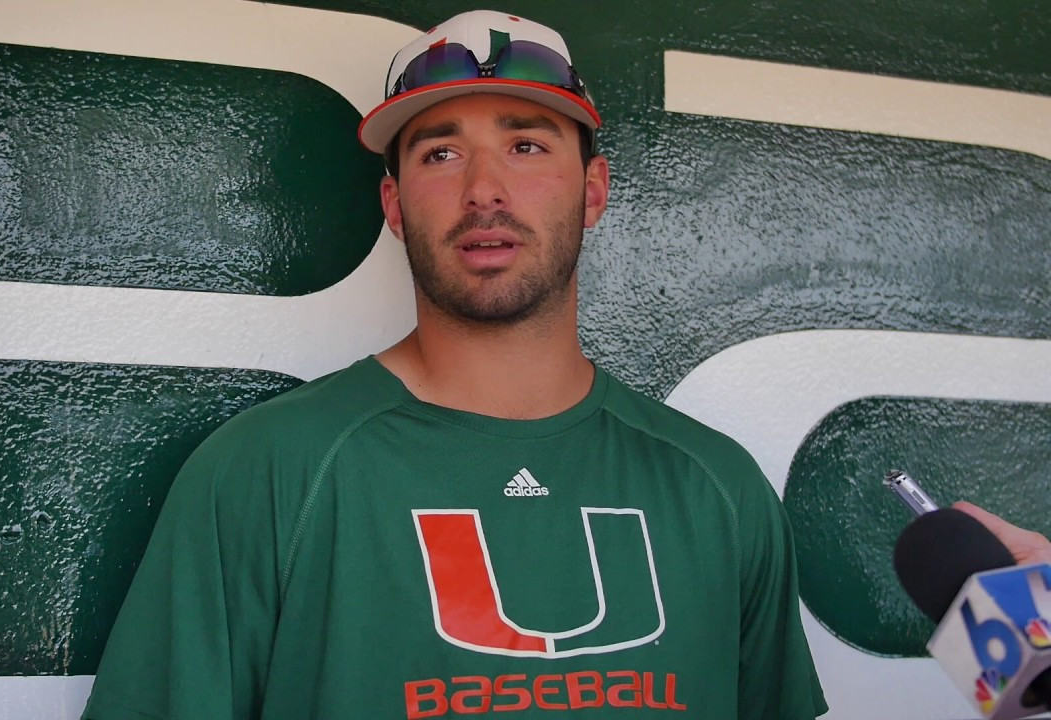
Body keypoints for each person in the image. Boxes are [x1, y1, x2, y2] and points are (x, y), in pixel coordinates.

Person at [82, 10, 828, 719]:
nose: (483, 191)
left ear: (593, 191)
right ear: (396, 204)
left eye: (526, 145)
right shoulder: (264, 472)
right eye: (441, 153)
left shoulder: (718, 488)